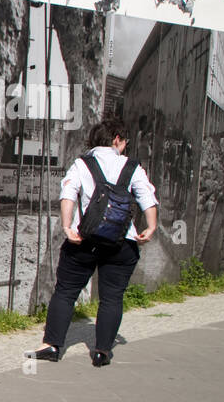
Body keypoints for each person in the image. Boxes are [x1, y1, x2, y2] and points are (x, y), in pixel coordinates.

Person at [25, 119, 158, 367]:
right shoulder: (132, 167)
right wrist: (150, 227)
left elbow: (67, 194)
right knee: (112, 297)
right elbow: (146, 196)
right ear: (117, 138)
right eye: (125, 141)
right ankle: (102, 351)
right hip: (121, 242)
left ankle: (52, 345)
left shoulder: (82, 164)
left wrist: (67, 227)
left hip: (84, 240)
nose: (125, 145)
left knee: (65, 292)